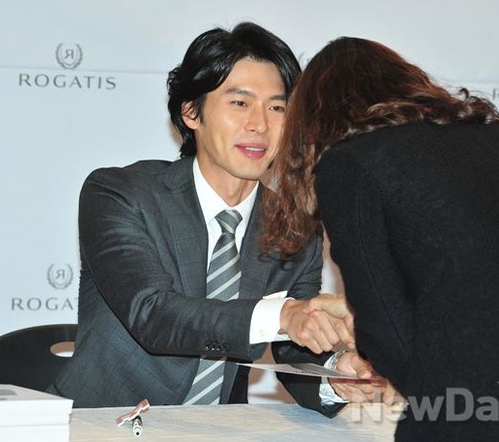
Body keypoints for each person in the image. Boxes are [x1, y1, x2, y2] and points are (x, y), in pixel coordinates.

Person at [47, 22, 362, 415]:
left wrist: (334, 376)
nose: (260, 125)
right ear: (192, 112)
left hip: (216, 427)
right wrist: (284, 314)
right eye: (240, 103)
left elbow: (292, 348)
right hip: (104, 423)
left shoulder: (295, 224)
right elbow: (153, 315)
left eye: (278, 108)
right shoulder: (120, 194)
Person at [262, 36, 499, 440]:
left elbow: (392, 340)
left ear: (314, 119)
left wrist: (365, 327)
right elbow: (487, 289)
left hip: (470, 417)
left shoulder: (352, 165)